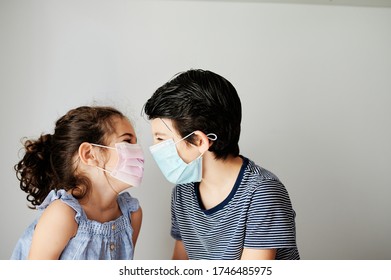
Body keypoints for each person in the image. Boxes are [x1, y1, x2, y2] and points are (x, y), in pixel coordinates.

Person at [143, 69, 300, 260]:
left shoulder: (262, 193)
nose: (155, 148)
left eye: (161, 139)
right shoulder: (182, 193)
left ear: (200, 141)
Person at [11, 105, 143, 260]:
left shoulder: (132, 214)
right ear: (89, 154)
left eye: (136, 142)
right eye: (127, 141)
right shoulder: (62, 214)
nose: (138, 150)